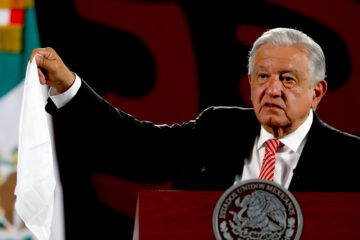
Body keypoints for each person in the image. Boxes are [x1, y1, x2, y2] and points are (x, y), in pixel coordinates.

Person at [31, 27, 360, 193]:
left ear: (317, 92)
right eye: (263, 76)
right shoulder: (218, 128)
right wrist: (67, 86)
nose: (272, 89)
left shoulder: (350, 158)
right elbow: (134, 146)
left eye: (287, 79)